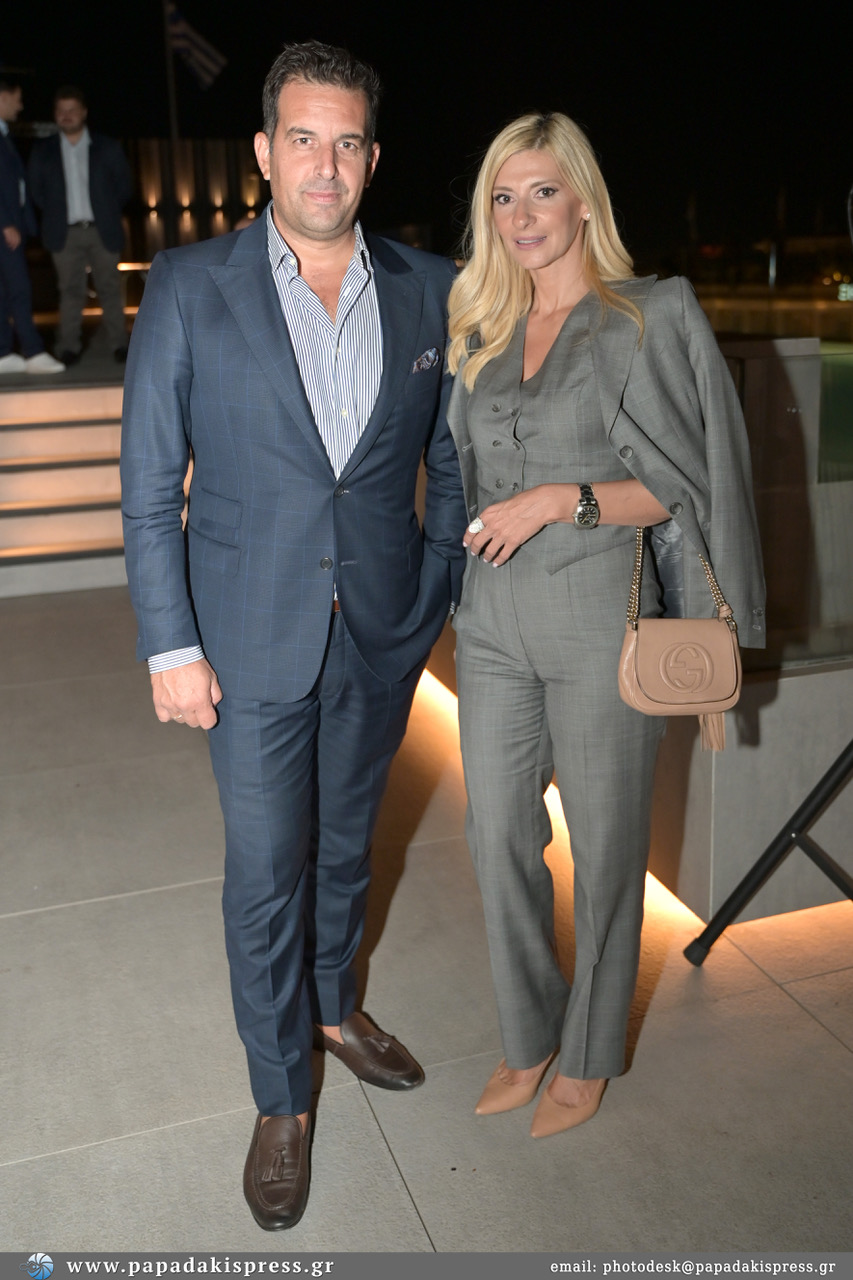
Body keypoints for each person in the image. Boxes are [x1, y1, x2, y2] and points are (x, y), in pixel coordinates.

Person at [120, 41, 465, 1229]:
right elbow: (148, 483)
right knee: (268, 870)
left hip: (378, 630)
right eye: (304, 139)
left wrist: (432, 585)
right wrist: (170, 644)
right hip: (245, 635)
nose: (326, 163)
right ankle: (282, 1095)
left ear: (373, 156)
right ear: (266, 151)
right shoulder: (188, 283)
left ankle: (331, 1004)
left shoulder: (430, 286)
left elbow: (449, 459)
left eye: (347, 141)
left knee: (347, 846)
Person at [445, 112, 765, 1138]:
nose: (521, 215)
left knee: (607, 842)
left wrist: (560, 499)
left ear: (582, 200)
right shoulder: (479, 327)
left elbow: (688, 482)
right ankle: (528, 1030)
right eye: (503, 197)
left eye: (541, 191)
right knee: (496, 831)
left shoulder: (648, 314)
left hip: (599, 612)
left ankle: (586, 1053)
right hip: (490, 618)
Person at [28, 85, 132, 364]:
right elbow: (37, 191)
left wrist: (107, 210)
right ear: (55, 115)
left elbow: (124, 186)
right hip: (64, 232)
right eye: (61, 110)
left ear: (84, 112)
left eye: (72, 110)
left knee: (109, 288)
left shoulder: (107, 147)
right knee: (70, 291)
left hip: (102, 230)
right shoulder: (44, 150)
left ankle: (120, 345)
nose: (67, 115)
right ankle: (68, 347)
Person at [0, 76, 64, 375]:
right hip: (5, 228)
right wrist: (6, 223)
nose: (21, 106)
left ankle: (2, 352)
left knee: (5, 291)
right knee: (19, 289)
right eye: (17, 98)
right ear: (3, 97)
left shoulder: (4, 134)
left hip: (11, 226)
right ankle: (33, 351)